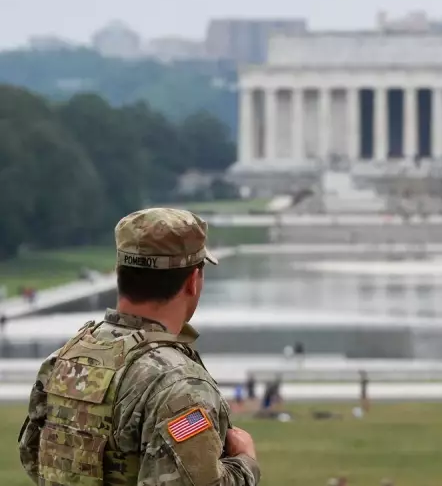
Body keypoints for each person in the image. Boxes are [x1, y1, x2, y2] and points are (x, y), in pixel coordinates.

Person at [17, 208, 261, 485]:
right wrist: (244, 463)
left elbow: (32, 456)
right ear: (193, 281)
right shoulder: (178, 385)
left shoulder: (64, 359)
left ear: (120, 273)